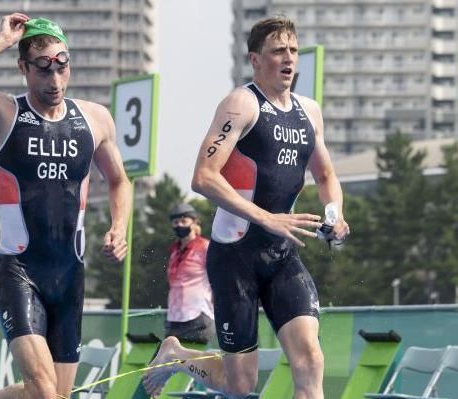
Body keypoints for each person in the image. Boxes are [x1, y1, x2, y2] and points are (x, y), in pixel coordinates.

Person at [143, 16, 349, 399]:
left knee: (311, 360)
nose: (288, 59)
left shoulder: (310, 111)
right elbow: (203, 176)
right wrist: (266, 217)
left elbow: (325, 176)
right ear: (256, 60)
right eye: (277, 51)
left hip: (282, 255)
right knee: (240, 384)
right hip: (235, 256)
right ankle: (175, 355)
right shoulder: (241, 103)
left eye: (292, 50)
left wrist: (334, 212)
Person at [0, 14, 132, 399]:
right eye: (43, 69)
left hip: (70, 276)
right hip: (19, 272)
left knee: (49, 394)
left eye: (62, 65)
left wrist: (119, 225)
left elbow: (120, 180)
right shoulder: (3, 113)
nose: (55, 80)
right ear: (24, 68)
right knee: (45, 394)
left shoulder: (94, 119)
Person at [165, 203, 214, 344]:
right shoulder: (174, 251)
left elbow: (218, 279)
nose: (179, 225)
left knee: (195, 363)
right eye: (175, 222)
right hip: (174, 317)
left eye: (184, 221)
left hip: (197, 315)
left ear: (194, 222)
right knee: (172, 363)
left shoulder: (205, 247)